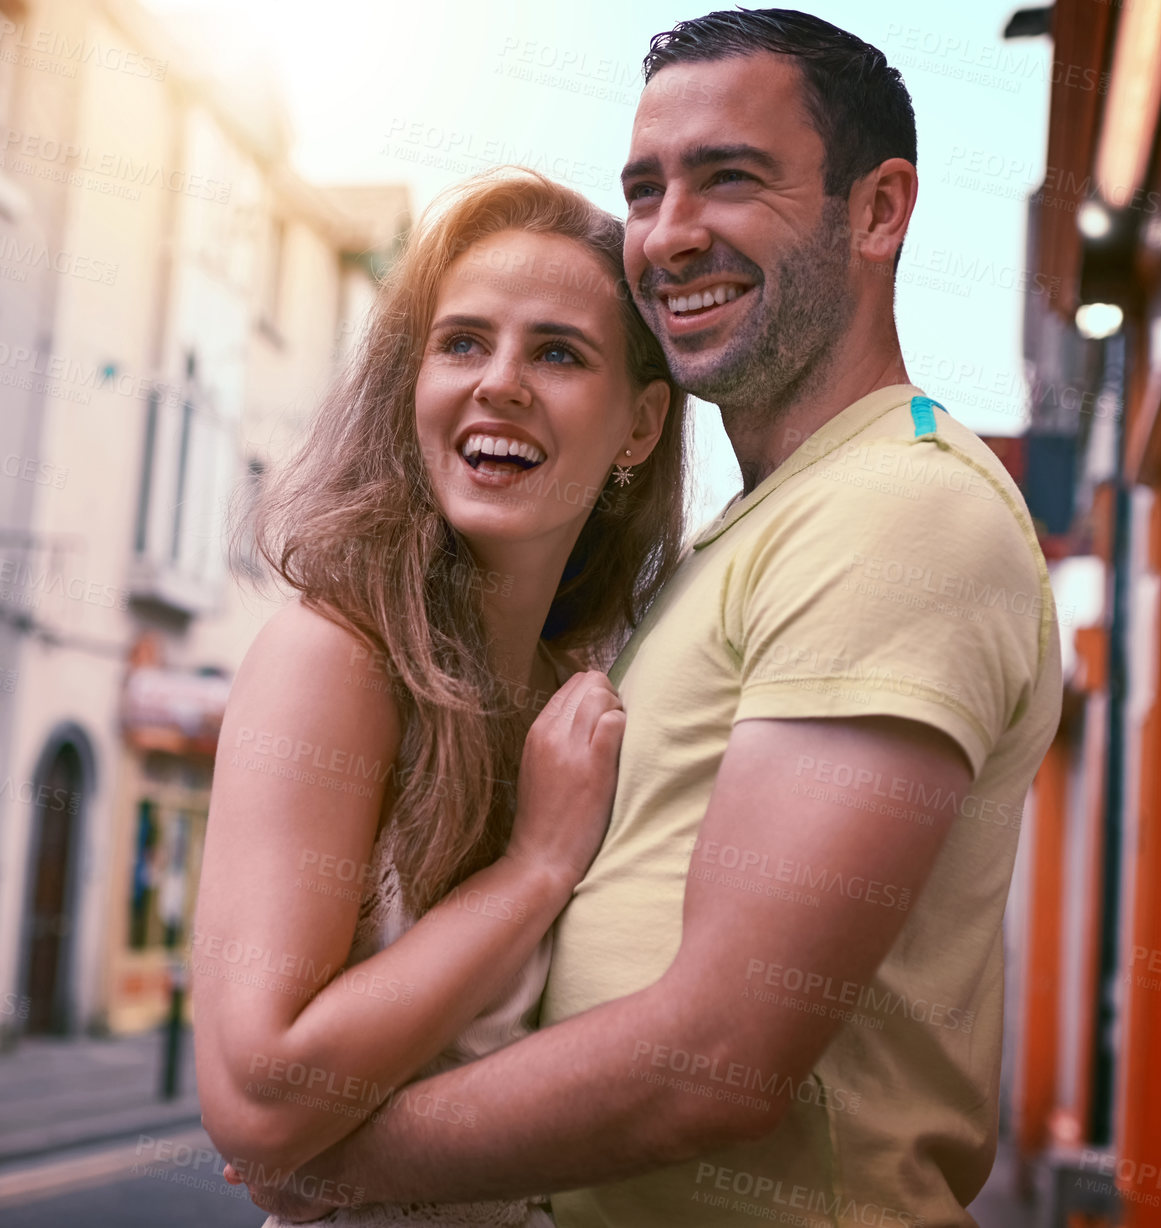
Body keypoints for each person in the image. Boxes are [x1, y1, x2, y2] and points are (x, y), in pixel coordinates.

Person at [232, 11, 1062, 1228]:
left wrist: (327, 1177)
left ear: (879, 211)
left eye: (730, 178)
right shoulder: (750, 537)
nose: (669, 235)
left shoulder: (899, 508)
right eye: (645, 187)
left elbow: (721, 1053)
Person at [193, 167, 689, 1226]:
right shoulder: (332, 659)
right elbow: (260, 1102)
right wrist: (533, 868)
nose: (497, 382)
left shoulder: (585, 702)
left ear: (639, 427)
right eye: (461, 342)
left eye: (557, 352)